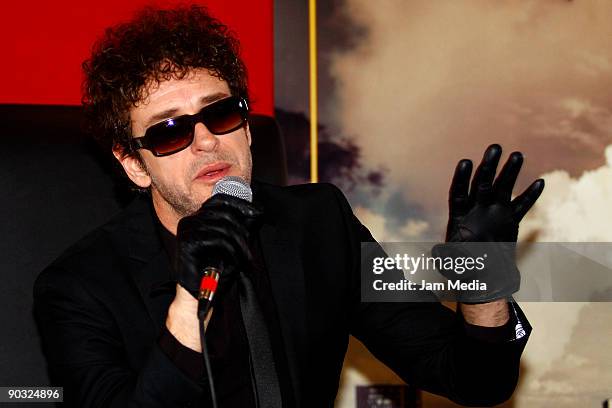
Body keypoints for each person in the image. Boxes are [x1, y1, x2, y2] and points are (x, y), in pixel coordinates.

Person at [33, 5, 544, 408]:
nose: (207, 141)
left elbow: (475, 381)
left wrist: (483, 282)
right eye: (170, 132)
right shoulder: (80, 286)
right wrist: (192, 299)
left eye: (221, 113)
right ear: (134, 165)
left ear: (248, 128)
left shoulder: (319, 223)